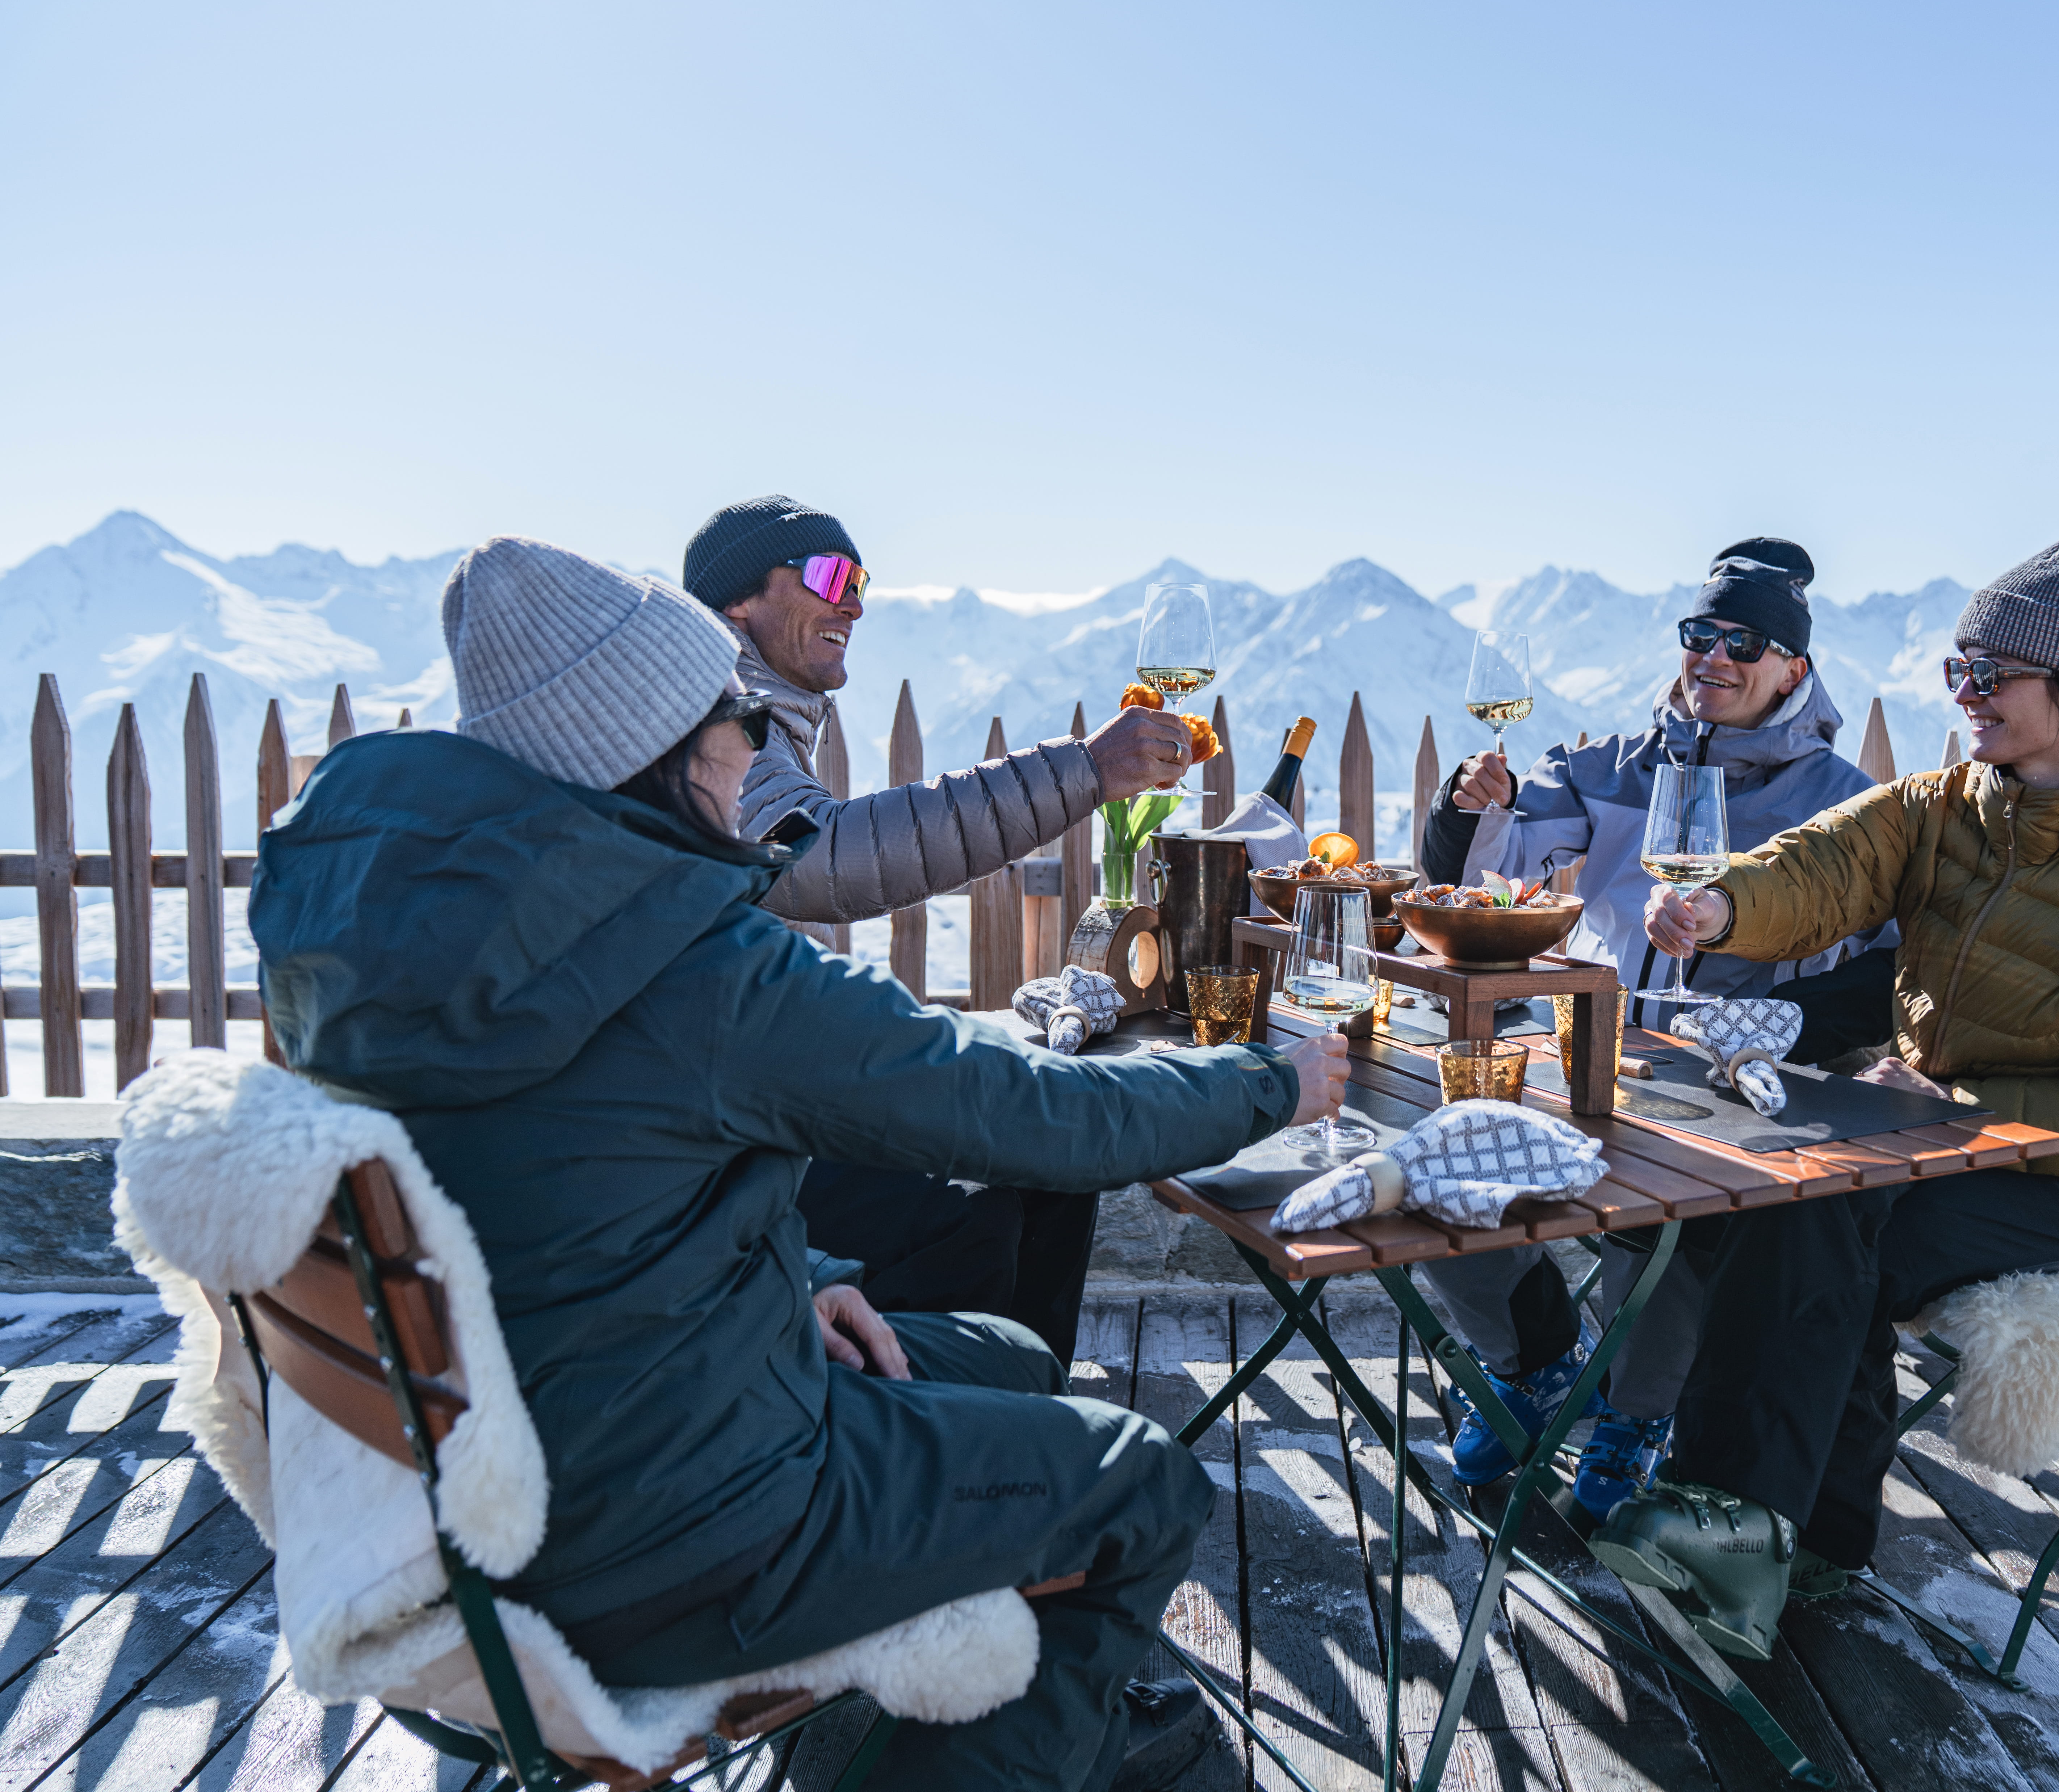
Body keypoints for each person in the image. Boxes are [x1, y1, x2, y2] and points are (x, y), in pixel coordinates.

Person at [251, 536, 1351, 1792]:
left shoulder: (385, 927)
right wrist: (1272, 1082)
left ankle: (987, 1723)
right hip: (668, 1534)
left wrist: (806, 1274)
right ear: (661, 748)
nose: (763, 750)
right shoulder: (685, 956)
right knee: (1140, 1482)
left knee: (1012, 1356)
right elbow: (1016, 1109)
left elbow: (557, 1169)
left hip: (495, 1475)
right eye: (741, 720)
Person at [1589, 533, 2059, 1665]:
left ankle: (1736, 1521)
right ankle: (1809, 1539)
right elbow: (1822, 866)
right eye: (1959, 670)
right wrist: (1724, 908)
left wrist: (1957, 1101)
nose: (1965, 693)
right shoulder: (1947, 809)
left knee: (1823, 1215)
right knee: (1803, 1210)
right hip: (1934, 1141)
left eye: (1991, 674)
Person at [1410, 539, 1886, 1517]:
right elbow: (1483, 875)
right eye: (1700, 634)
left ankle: (1636, 1413)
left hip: (1733, 1080)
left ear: (1792, 668)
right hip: (1593, 1051)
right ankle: (1535, 1361)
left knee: (1667, 1206)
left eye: (1744, 644)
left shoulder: (1843, 804)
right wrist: (1468, 803)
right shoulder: (1608, 768)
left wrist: (1786, 1024)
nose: (1714, 657)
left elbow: (1890, 962)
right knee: (1441, 1161)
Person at [682, 495, 1195, 1368]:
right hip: (718, 1144)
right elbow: (817, 855)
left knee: (1051, 1164)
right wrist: (1082, 771)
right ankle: (936, 1420)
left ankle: (1030, 1413)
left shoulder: (759, 714)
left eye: (862, 581)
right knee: (970, 1213)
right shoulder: (713, 715)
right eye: (830, 576)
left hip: (760, 1097)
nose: (854, 603)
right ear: (737, 600)